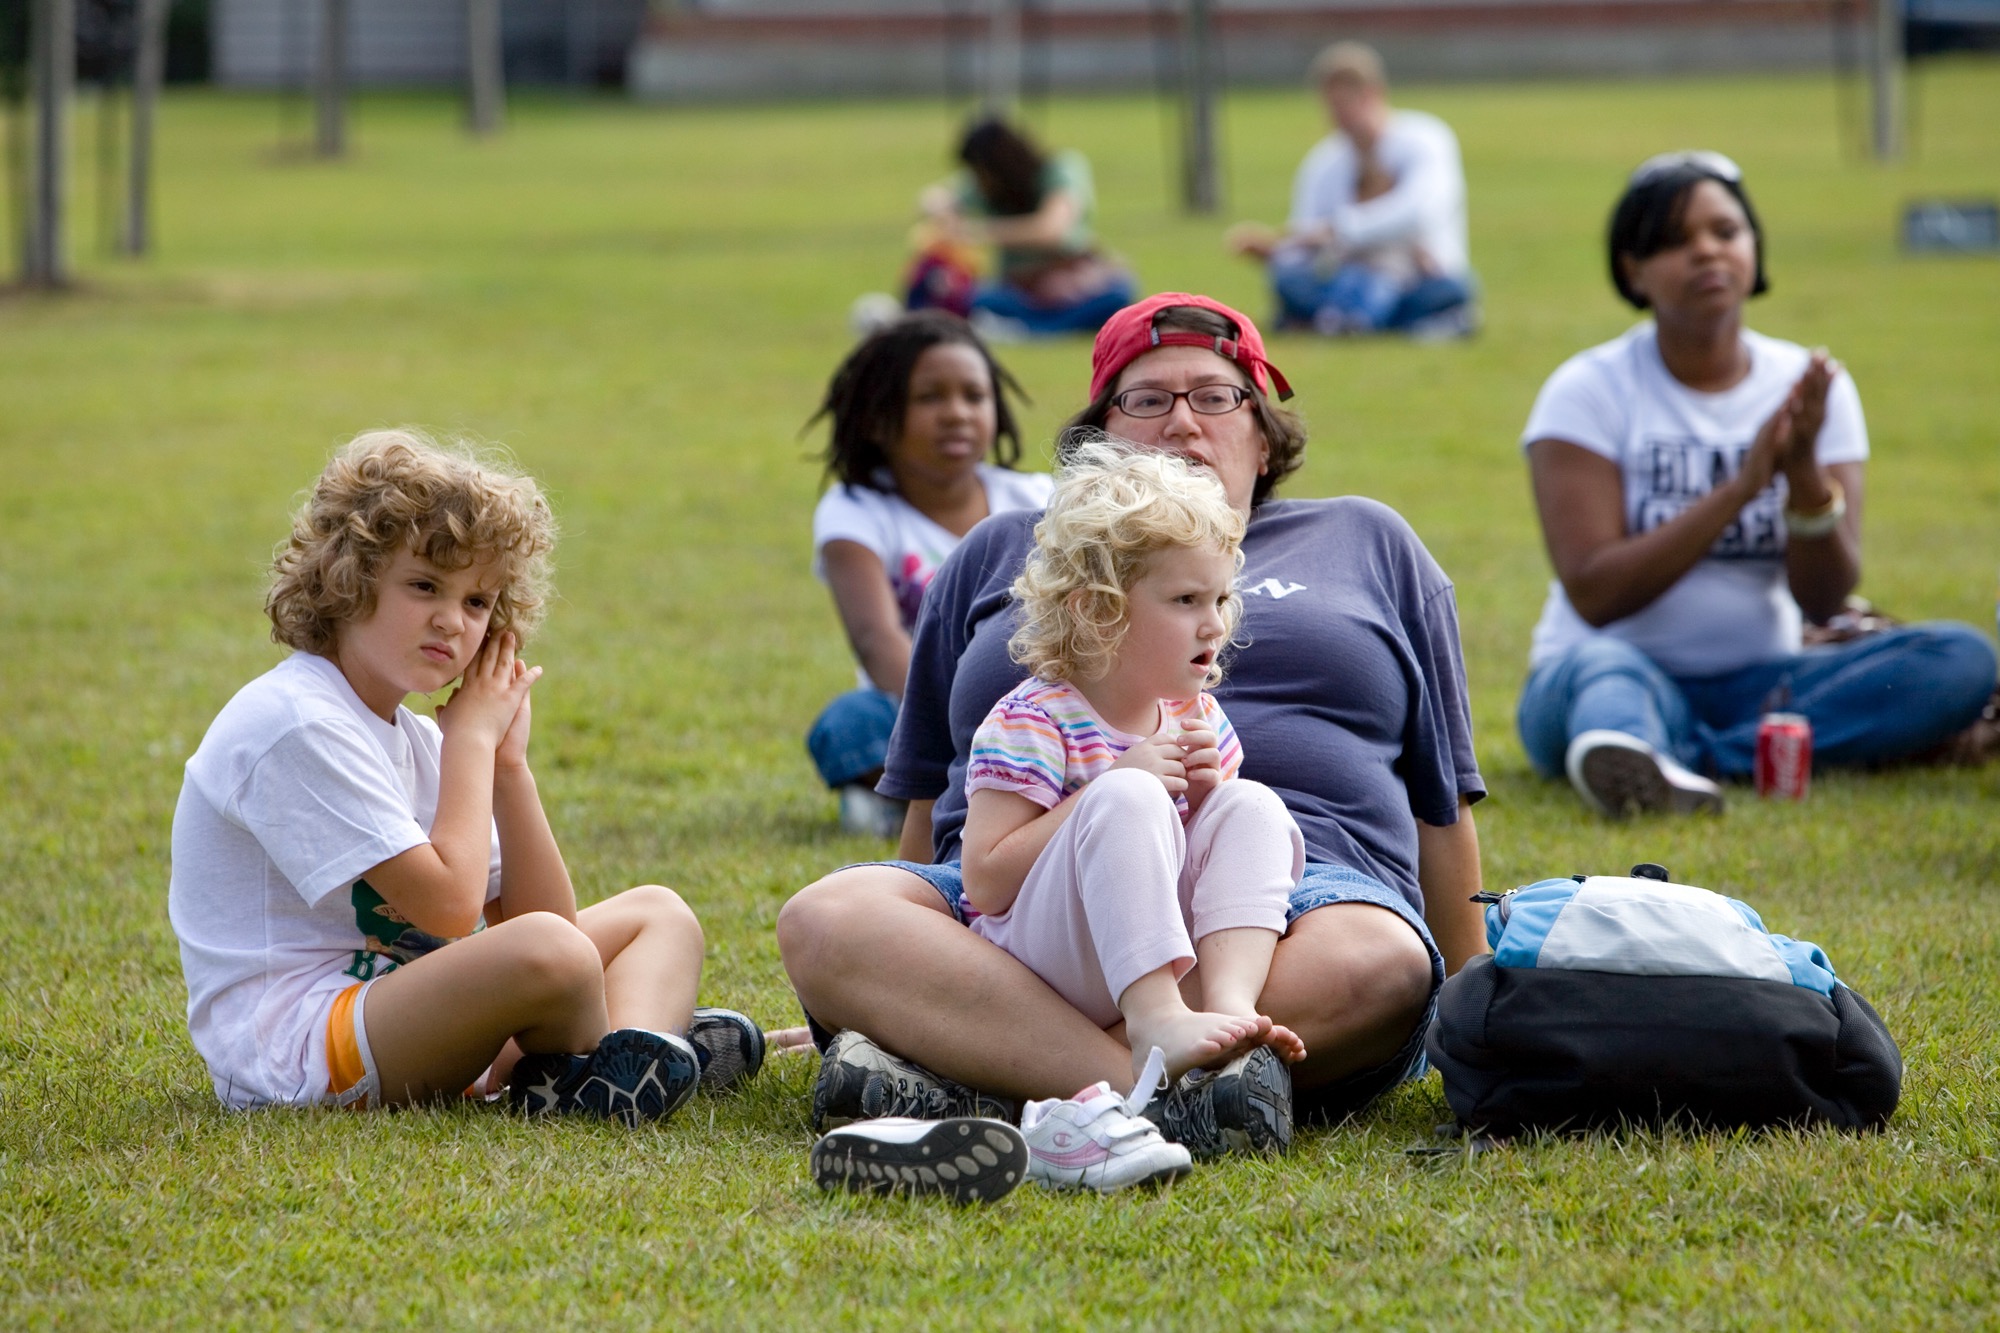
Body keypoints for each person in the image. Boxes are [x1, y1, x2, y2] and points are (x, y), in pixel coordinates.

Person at [776, 292, 1489, 1160]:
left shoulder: (1369, 540)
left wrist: (1474, 1010)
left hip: (1281, 912)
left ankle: (982, 1064)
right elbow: (933, 801)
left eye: (1217, 397)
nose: (1183, 423)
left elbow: (1442, 802)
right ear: (1099, 441)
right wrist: (914, 966)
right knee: (828, 918)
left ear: (1263, 436)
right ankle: (1175, 1081)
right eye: (1147, 400)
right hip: (1025, 911)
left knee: (1380, 960)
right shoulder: (1004, 551)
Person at [169, 430, 764, 1123]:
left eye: (479, 601)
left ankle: (626, 1062)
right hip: (298, 1048)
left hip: (397, 1012)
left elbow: (547, 920)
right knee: (554, 956)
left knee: (659, 915)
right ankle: (617, 1059)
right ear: (348, 577)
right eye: (424, 586)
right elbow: (451, 910)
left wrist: (509, 767)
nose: (452, 621)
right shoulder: (298, 720)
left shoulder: (423, 740)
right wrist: (475, 743)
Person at [1516, 151, 1999, 817]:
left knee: (1960, 657)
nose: (1708, 252)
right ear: (1633, 270)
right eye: (1677, 241)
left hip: (1765, 685)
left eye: (1725, 231)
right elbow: (1596, 593)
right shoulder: (1587, 390)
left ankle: (1687, 758)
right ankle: (1657, 747)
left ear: (1754, 247)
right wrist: (1740, 489)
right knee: (1603, 677)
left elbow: (1824, 596)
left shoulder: (1808, 385)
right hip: (1611, 667)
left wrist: (1802, 474)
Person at [963, 440, 1308, 1088]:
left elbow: (1206, 858)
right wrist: (1114, 784)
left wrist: (1205, 798)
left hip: (1143, 943)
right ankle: (1156, 1020)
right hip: (1043, 962)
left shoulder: (1195, 714)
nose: (1214, 624)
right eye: (1185, 601)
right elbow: (983, 882)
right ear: (1097, 609)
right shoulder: (1035, 718)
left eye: (1220, 599)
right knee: (1127, 797)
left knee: (1252, 804)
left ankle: (1230, 1007)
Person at [806, 311, 1053, 836]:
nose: (956, 413)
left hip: (1035, 702)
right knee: (848, 725)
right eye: (929, 398)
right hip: (915, 712)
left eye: (974, 396)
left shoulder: (1036, 499)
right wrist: (960, 726)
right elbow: (876, 638)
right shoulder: (855, 510)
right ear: (876, 417)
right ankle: (951, 786)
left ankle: (957, 790)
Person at [1227, 42, 1476, 337]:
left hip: (1418, 277)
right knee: (1291, 279)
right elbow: (1307, 239)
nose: (1340, 116)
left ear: (1373, 94)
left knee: (1452, 288)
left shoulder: (1425, 140)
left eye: (1347, 103)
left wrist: (1338, 230)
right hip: (1349, 277)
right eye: (1332, 106)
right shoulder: (1324, 162)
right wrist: (1278, 249)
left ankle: (1333, 319)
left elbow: (1419, 213)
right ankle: (1369, 320)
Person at [911, 117, 1137, 339]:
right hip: (1020, 291)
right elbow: (932, 199)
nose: (981, 182)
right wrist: (948, 218)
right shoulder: (984, 189)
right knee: (977, 298)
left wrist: (977, 232)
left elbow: (1052, 229)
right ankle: (1037, 327)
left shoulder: (1059, 169)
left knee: (1118, 293)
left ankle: (1028, 328)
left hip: (1073, 279)